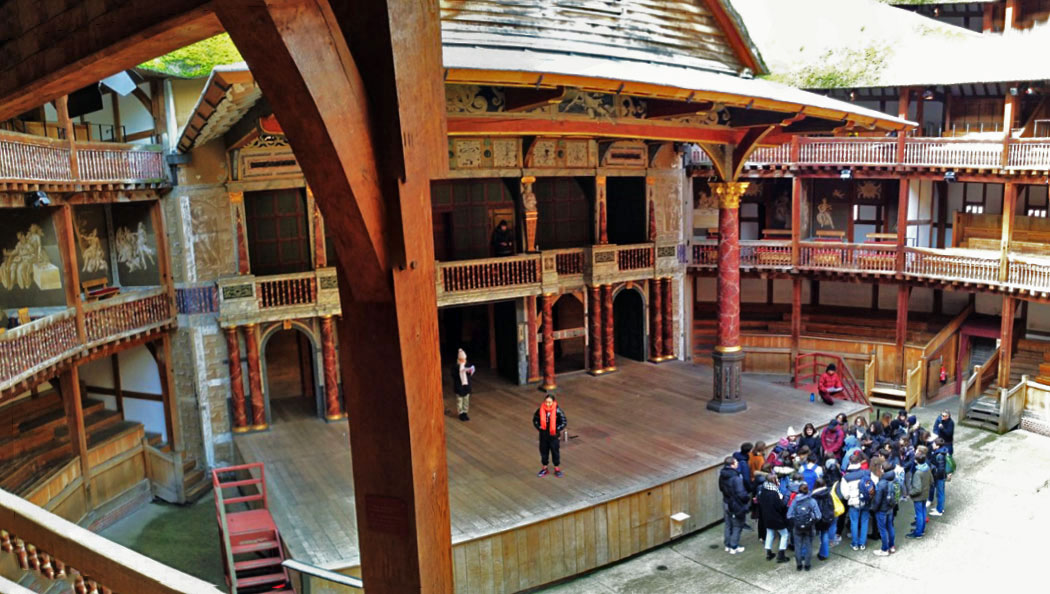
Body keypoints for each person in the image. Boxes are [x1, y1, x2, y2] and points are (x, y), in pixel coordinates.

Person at [719, 456, 750, 554]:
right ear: (732, 465)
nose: (737, 463)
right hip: (735, 505)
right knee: (737, 526)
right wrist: (747, 499)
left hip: (726, 502)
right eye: (736, 462)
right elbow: (742, 494)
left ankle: (727, 544)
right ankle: (734, 546)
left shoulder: (722, 475)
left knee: (728, 524)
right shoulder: (736, 478)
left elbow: (721, 488)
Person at [842, 451, 873, 551]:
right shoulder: (867, 472)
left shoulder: (846, 477)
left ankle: (855, 544)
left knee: (854, 522)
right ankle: (862, 543)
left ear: (849, 462)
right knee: (864, 521)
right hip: (866, 500)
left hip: (854, 502)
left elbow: (845, 494)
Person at [787, 482, 820, 571]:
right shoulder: (812, 501)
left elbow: (789, 515)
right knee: (809, 546)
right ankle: (807, 565)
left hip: (797, 527)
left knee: (798, 546)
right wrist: (812, 522)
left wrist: (796, 522)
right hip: (809, 527)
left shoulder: (795, 501)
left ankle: (799, 565)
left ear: (798, 491)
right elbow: (818, 516)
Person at [758, 474, 790, 563]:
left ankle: (769, 553)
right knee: (784, 534)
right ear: (774, 481)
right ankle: (781, 555)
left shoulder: (763, 490)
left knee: (770, 533)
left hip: (766, 516)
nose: (778, 481)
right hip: (776, 518)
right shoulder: (774, 493)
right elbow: (780, 506)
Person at [533, 394, 567, 477]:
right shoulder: (540, 410)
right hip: (544, 435)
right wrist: (540, 427)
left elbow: (563, 422)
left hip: (554, 435)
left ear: (553, 402)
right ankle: (544, 468)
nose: (547, 404)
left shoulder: (558, 411)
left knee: (555, 451)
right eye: (546, 402)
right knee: (543, 451)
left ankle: (556, 468)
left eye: (549, 402)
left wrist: (556, 429)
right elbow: (535, 420)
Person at [871, 461, 897, 556]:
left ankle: (884, 549)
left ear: (883, 469)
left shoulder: (881, 483)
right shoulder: (895, 479)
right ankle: (892, 546)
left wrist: (873, 509)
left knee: (882, 529)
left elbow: (877, 500)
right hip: (890, 507)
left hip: (882, 509)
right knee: (890, 526)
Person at [907, 453, 933, 539]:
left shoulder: (918, 473)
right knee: (923, 512)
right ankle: (922, 530)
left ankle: (918, 533)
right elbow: (931, 481)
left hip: (918, 497)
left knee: (919, 514)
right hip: (925, 494)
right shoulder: (927, 468)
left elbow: (917, 489)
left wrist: (910, 493)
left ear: (916, 461)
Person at [810, 478, 834, 561]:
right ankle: (824, 554)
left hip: (818, 519)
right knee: (825, 534)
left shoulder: (813, 496)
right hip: (828, 518)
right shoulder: (828, 493)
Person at [450, 348, 475, 421]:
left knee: (466, 401)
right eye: (461, 360)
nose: (463, 361)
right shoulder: (455, 367)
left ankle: (465, 413)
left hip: (466, 386)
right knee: (460, 401)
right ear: (458, 360)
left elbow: (470, 373)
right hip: (459, 386)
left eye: (464, 359)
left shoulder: (467, 365)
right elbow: (453, 375)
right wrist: (460, 372)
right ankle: (461, 413)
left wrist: (469, 371)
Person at [928, 437, 949, 516]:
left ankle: (939, 511)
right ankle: (940, 508)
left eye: (934, 444)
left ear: (938, 446)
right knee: (941, 493)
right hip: (941, 476)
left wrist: (935, 475)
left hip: (939, 477)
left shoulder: (939, 455)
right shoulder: (941, 451)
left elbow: (940, 469)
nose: (932, 445)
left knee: (940, 493)